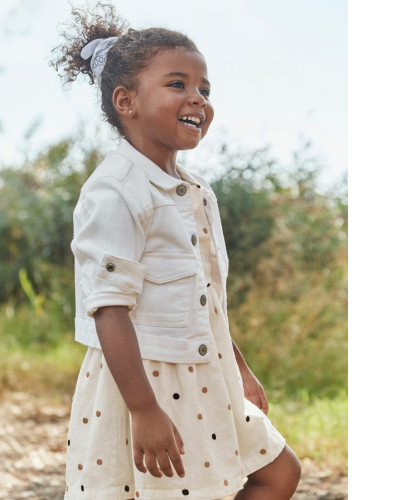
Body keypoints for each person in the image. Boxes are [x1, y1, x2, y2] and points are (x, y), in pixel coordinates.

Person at [50, 3, 301, 499]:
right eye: (178, 84)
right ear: (126, 101)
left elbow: (205, 299)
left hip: (208, 377)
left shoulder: (195, 190)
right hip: (148, 385)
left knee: (279, 473)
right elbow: (109, 308)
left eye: (205, 89)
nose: (198, 98)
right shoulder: (116, 190)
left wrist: (238, 368)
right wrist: (144, 410)